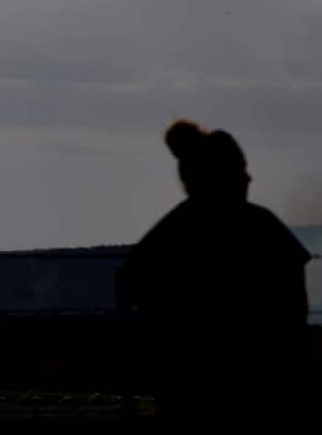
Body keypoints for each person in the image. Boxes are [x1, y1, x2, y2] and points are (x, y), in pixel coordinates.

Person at [119, 120, 311, 425]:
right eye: (240, 169)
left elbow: (129, 287)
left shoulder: (173, 230)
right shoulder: (261, 227)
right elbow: (294, 306)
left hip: (186, 389)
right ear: (220, 176)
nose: (249, 178)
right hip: (259, 385)